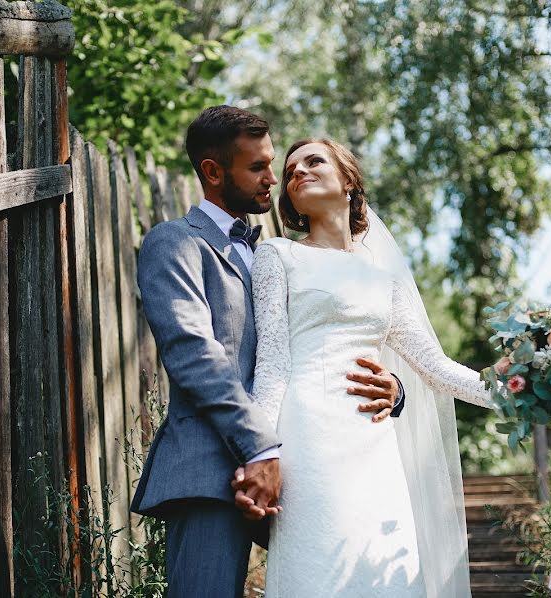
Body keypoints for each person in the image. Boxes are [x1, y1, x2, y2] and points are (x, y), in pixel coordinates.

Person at [131, 107, 405, 598]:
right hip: (211, 469)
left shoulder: (273, 256)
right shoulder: (176, 243)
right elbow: (195, 353)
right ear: (213, 172)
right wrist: (260, 446)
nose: (272, 180)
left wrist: (395, 389)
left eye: (271, 163)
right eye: (257, 167)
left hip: (295, 475)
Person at [240, 138, 496, 597]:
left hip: (373, 443)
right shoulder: (278, 256)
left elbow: (435, 368)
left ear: (348, 181)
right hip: (308, 439)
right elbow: (273, 363)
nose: (297, 172)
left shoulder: (385, 277)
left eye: (314, 161)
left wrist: (516, 390)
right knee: (318, 569)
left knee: (383, 568)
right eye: (291, 169)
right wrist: (261, 453)